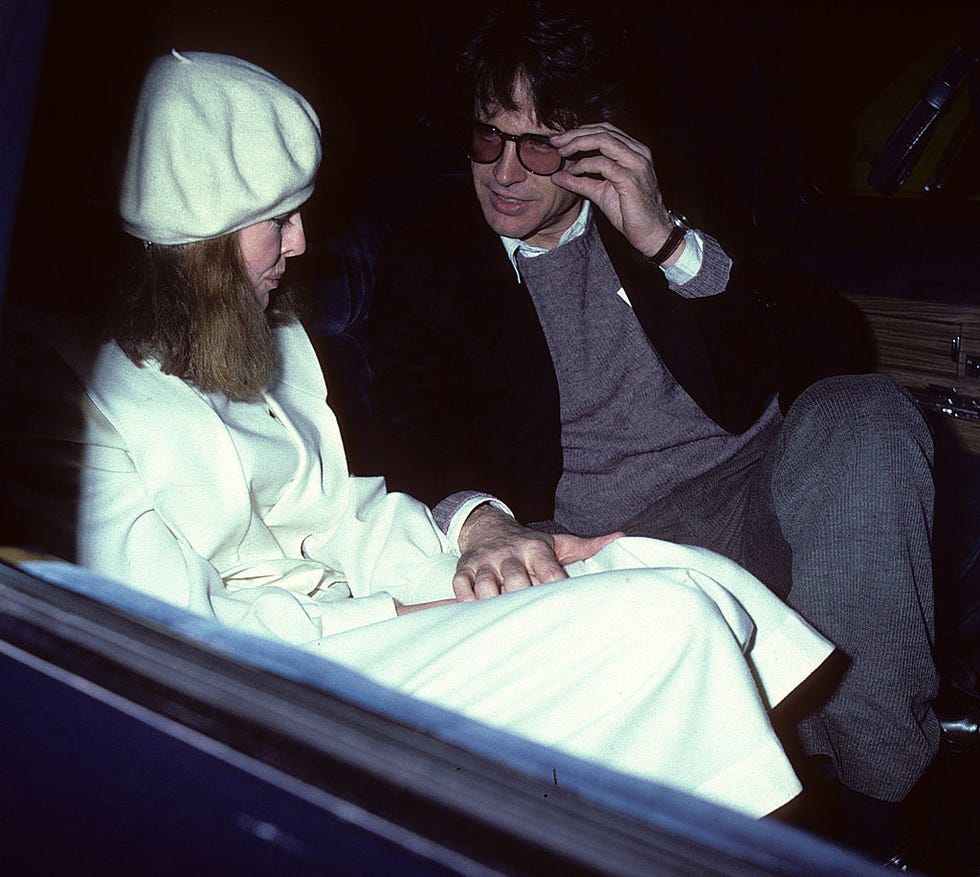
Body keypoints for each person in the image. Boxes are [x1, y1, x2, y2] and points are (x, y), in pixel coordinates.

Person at [0, 48, 837, 820]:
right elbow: (172, 644)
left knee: (652, 569)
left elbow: (343, 515)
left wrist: (479, 549)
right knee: (661, 623)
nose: (302, 241)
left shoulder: (268, 334)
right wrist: (408, 605)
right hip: (278, 680)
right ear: (205, 240)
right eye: (278, 220)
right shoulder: (81, 397)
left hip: (358, 617)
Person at [360, 0, 940, 859]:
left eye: (541, 144)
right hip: (594, 541)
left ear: (598, 142)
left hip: (756, 495)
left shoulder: (667, 203)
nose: (506, 173)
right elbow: (407, 418)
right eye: (488, 137)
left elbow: (836, 348)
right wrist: (482, 518)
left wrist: (671, 245)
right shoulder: (433, 260)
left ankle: (880, 813)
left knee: (869, 418)